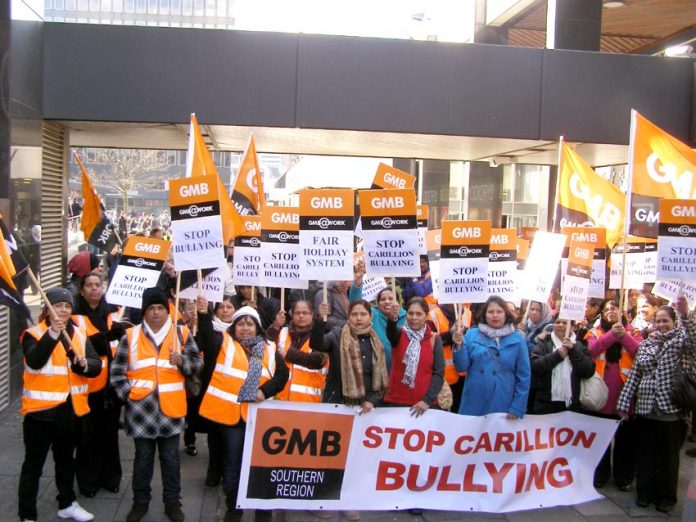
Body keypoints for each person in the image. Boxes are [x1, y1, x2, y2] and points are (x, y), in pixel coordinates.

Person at [110, 287, 203, 522]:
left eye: (160, 308)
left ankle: (173, 502)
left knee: (171, 459)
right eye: (151, 308)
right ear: (144, 312)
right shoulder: (130, 337)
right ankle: (140, 502)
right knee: (142, 460)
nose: (156, 313)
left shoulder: (181, 333)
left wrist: (182, 361)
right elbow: (117, 373)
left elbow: (197, 364)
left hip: (171, 409)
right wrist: (127, 395)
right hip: (141, 410)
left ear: (167, 309)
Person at [198, 306, 288, 522]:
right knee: (233, 465)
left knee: (260, 466)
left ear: (257, 327)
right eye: (240, 323)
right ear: (233, 327)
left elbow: (282, 374)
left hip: (260, 418)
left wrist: (264, 391)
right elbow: (207, 336)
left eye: (250, 324)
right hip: (232, 418)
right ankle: (234, 507)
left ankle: (262, 512)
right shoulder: (223, 343)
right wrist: (203, 314)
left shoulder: (269, 348)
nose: (245, 328)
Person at [18, 287, 101, 522]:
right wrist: (52, 334)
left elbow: (95, 365)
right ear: (47, 308)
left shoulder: (79, 334)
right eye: (58, 305)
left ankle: (67, 503)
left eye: (67, 306)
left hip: (70, 412)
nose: (63, 310)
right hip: (39, 414)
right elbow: (35, 361)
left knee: (66, 462)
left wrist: (85, 365)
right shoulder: (33, 333)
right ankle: (27, 515)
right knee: (33, 466)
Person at [310, 299, 388, 521]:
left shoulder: (375, 340)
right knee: (331, 454)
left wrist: (372, 400)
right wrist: (319, 320)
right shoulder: (337, 336)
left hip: (363, 408)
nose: (359, 318)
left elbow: (379, 378)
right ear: (348, 316)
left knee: (355, 456)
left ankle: (347, 499)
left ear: (370, 317)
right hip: (337, 403)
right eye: (354, 314)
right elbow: (317, 343)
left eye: (363, 314)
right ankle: (325, 498)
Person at [617, 297, 696, 513]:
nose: (661, 325)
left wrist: (686, 314)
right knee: (646, 456)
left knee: (669, 458)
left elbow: (694, 341)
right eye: (658, 321)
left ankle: (666, 497)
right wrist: (624, 403)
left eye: (665, 321)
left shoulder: (681, 340)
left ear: (673, 322)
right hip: (645, 410)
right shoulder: (645, 344)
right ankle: (645, 493)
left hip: (669, 411)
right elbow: (634, 375)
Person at [71, 272, 129, 498]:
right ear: (82, 290)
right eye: (90, 285)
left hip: (111, 386)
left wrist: (118, 334)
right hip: (86, 387)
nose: (95, 288)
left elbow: (120, 346)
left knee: (109, 436)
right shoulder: (75, 316)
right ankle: (88, 482)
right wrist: (106, 337)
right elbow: (79, 346)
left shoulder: (114, 313)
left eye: (98, 284)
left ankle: (111, 478)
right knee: (87, 438)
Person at [585, 299, 643, 491]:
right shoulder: (594, 331)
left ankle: (623, 477)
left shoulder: (634, 332)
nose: (610, 311)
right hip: (600, 396)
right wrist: (612, 335)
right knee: (600, 440)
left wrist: (624, 336)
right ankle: (600, 474)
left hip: (625, 395)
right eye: (607, 309)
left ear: (623, 311)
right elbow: (591, 349)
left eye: (614, 308)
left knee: (626, 442)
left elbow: (640, 352)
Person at [452, 295, 530, 418]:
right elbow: (461, 367)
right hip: (474, 400)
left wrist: (517, 407)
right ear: (484, 314)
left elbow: (524, 377)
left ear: (506, 314)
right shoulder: (472, 334)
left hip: (503, 400)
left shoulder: (518, 339)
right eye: (491, 312)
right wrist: (459, 346)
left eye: (499, 311)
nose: (495, 315)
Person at [193, 294, 235, 487]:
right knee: (215, 435)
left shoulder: (242, 331)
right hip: (214, 391)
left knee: (230, 437)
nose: (225, 310)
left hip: (234, 394)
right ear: (216, 311)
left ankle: (228, 472)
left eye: (229, 307)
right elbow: (206, 338)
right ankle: (213, 472)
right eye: (222, 307)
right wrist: (203, 314)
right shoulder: (212, 332)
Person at [383, 297, 444, 416]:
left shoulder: (434, 339)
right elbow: (391, 331)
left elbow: (438, 373)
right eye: (410, 313)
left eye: (419, 314)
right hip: (396, 403)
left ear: (426, 316)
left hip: (425, 406)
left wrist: (427, 400)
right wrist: (392, 320)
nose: (414, 317)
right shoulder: (399, 334)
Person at [267, 300, 328, 403]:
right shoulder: (282, 332)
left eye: (305, 313)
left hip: (308, 403)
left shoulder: (320, 336)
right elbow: (266, 347)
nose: (301, 316)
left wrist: (289, 355)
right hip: (280, 401)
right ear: (292, 314)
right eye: (297, 313)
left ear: (312, 314)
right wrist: (275, 326)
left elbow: (318, 359)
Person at [530, 316, 595, 414]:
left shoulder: (579, 345)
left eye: (565, 323)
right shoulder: (544, 342)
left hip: (571, 406)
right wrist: (557, 356)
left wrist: (573, 351)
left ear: (573, 327)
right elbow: (535, 366)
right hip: (545, 404)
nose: (560, 325)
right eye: (558, 322)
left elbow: (588, 371)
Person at [370, 287, 406, 372]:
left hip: (402, 370)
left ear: (398, 302)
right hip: (380, 371)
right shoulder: (373, 315)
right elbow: (355, 303)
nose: (387, 301)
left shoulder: (407, 317)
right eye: (383, 299)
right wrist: (358, 284)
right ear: (378, 304)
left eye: (391, 299)